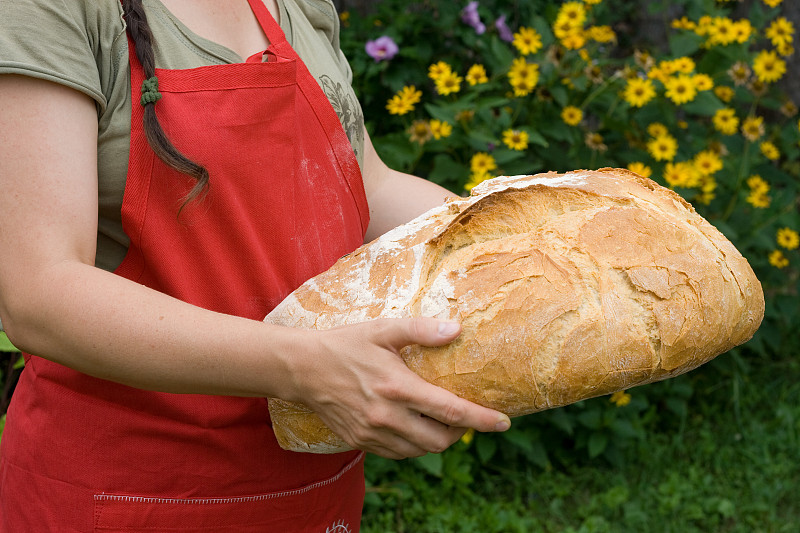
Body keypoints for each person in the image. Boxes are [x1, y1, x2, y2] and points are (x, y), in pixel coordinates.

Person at [0, 0, 511, 531]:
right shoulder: (52, 9)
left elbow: (369, 186)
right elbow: (40, 292)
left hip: (311, 486)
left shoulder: (299, 6)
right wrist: (306, 367)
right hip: (136, 493)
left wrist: (522, 239)